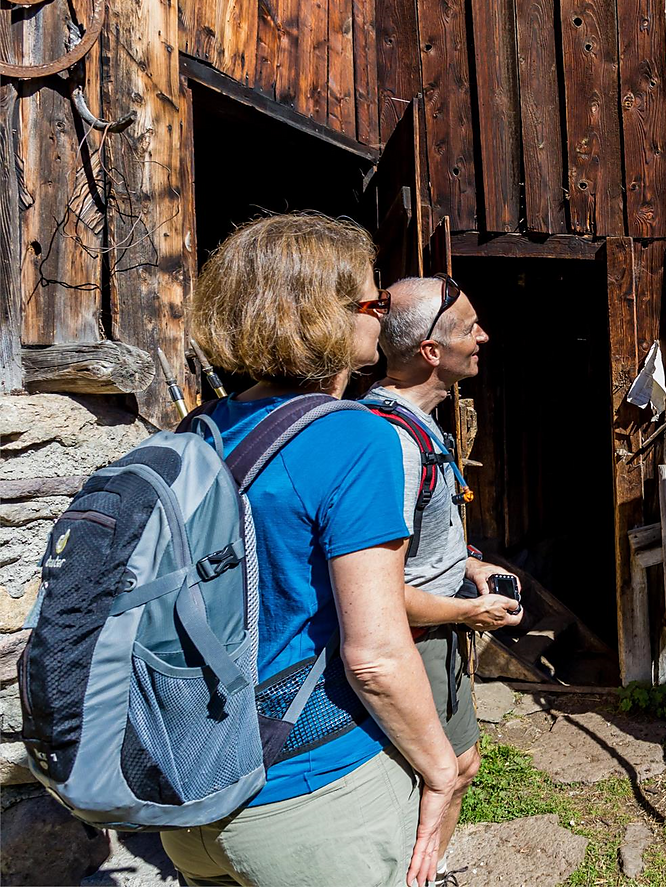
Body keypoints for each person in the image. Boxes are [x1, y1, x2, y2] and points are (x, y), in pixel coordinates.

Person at [161, 214, 458, 887]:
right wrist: (442, 770)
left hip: (192, 796)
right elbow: (375, 656)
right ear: (326, 317)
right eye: (373, 304)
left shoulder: (199, 431)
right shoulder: (357, 438)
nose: (382, 318)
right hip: (311, 799)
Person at [365, 275, 523, 887]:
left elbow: (417, 543)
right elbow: (377, 594)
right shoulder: (392, 444)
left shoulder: (422, 425)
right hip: (413, 640)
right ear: (432, 351)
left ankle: (430, 872)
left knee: (459, 766)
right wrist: (468, 613)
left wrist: (471, 567)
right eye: (470, 328)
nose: (483, 336)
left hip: (435, 628)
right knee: (440, 772)